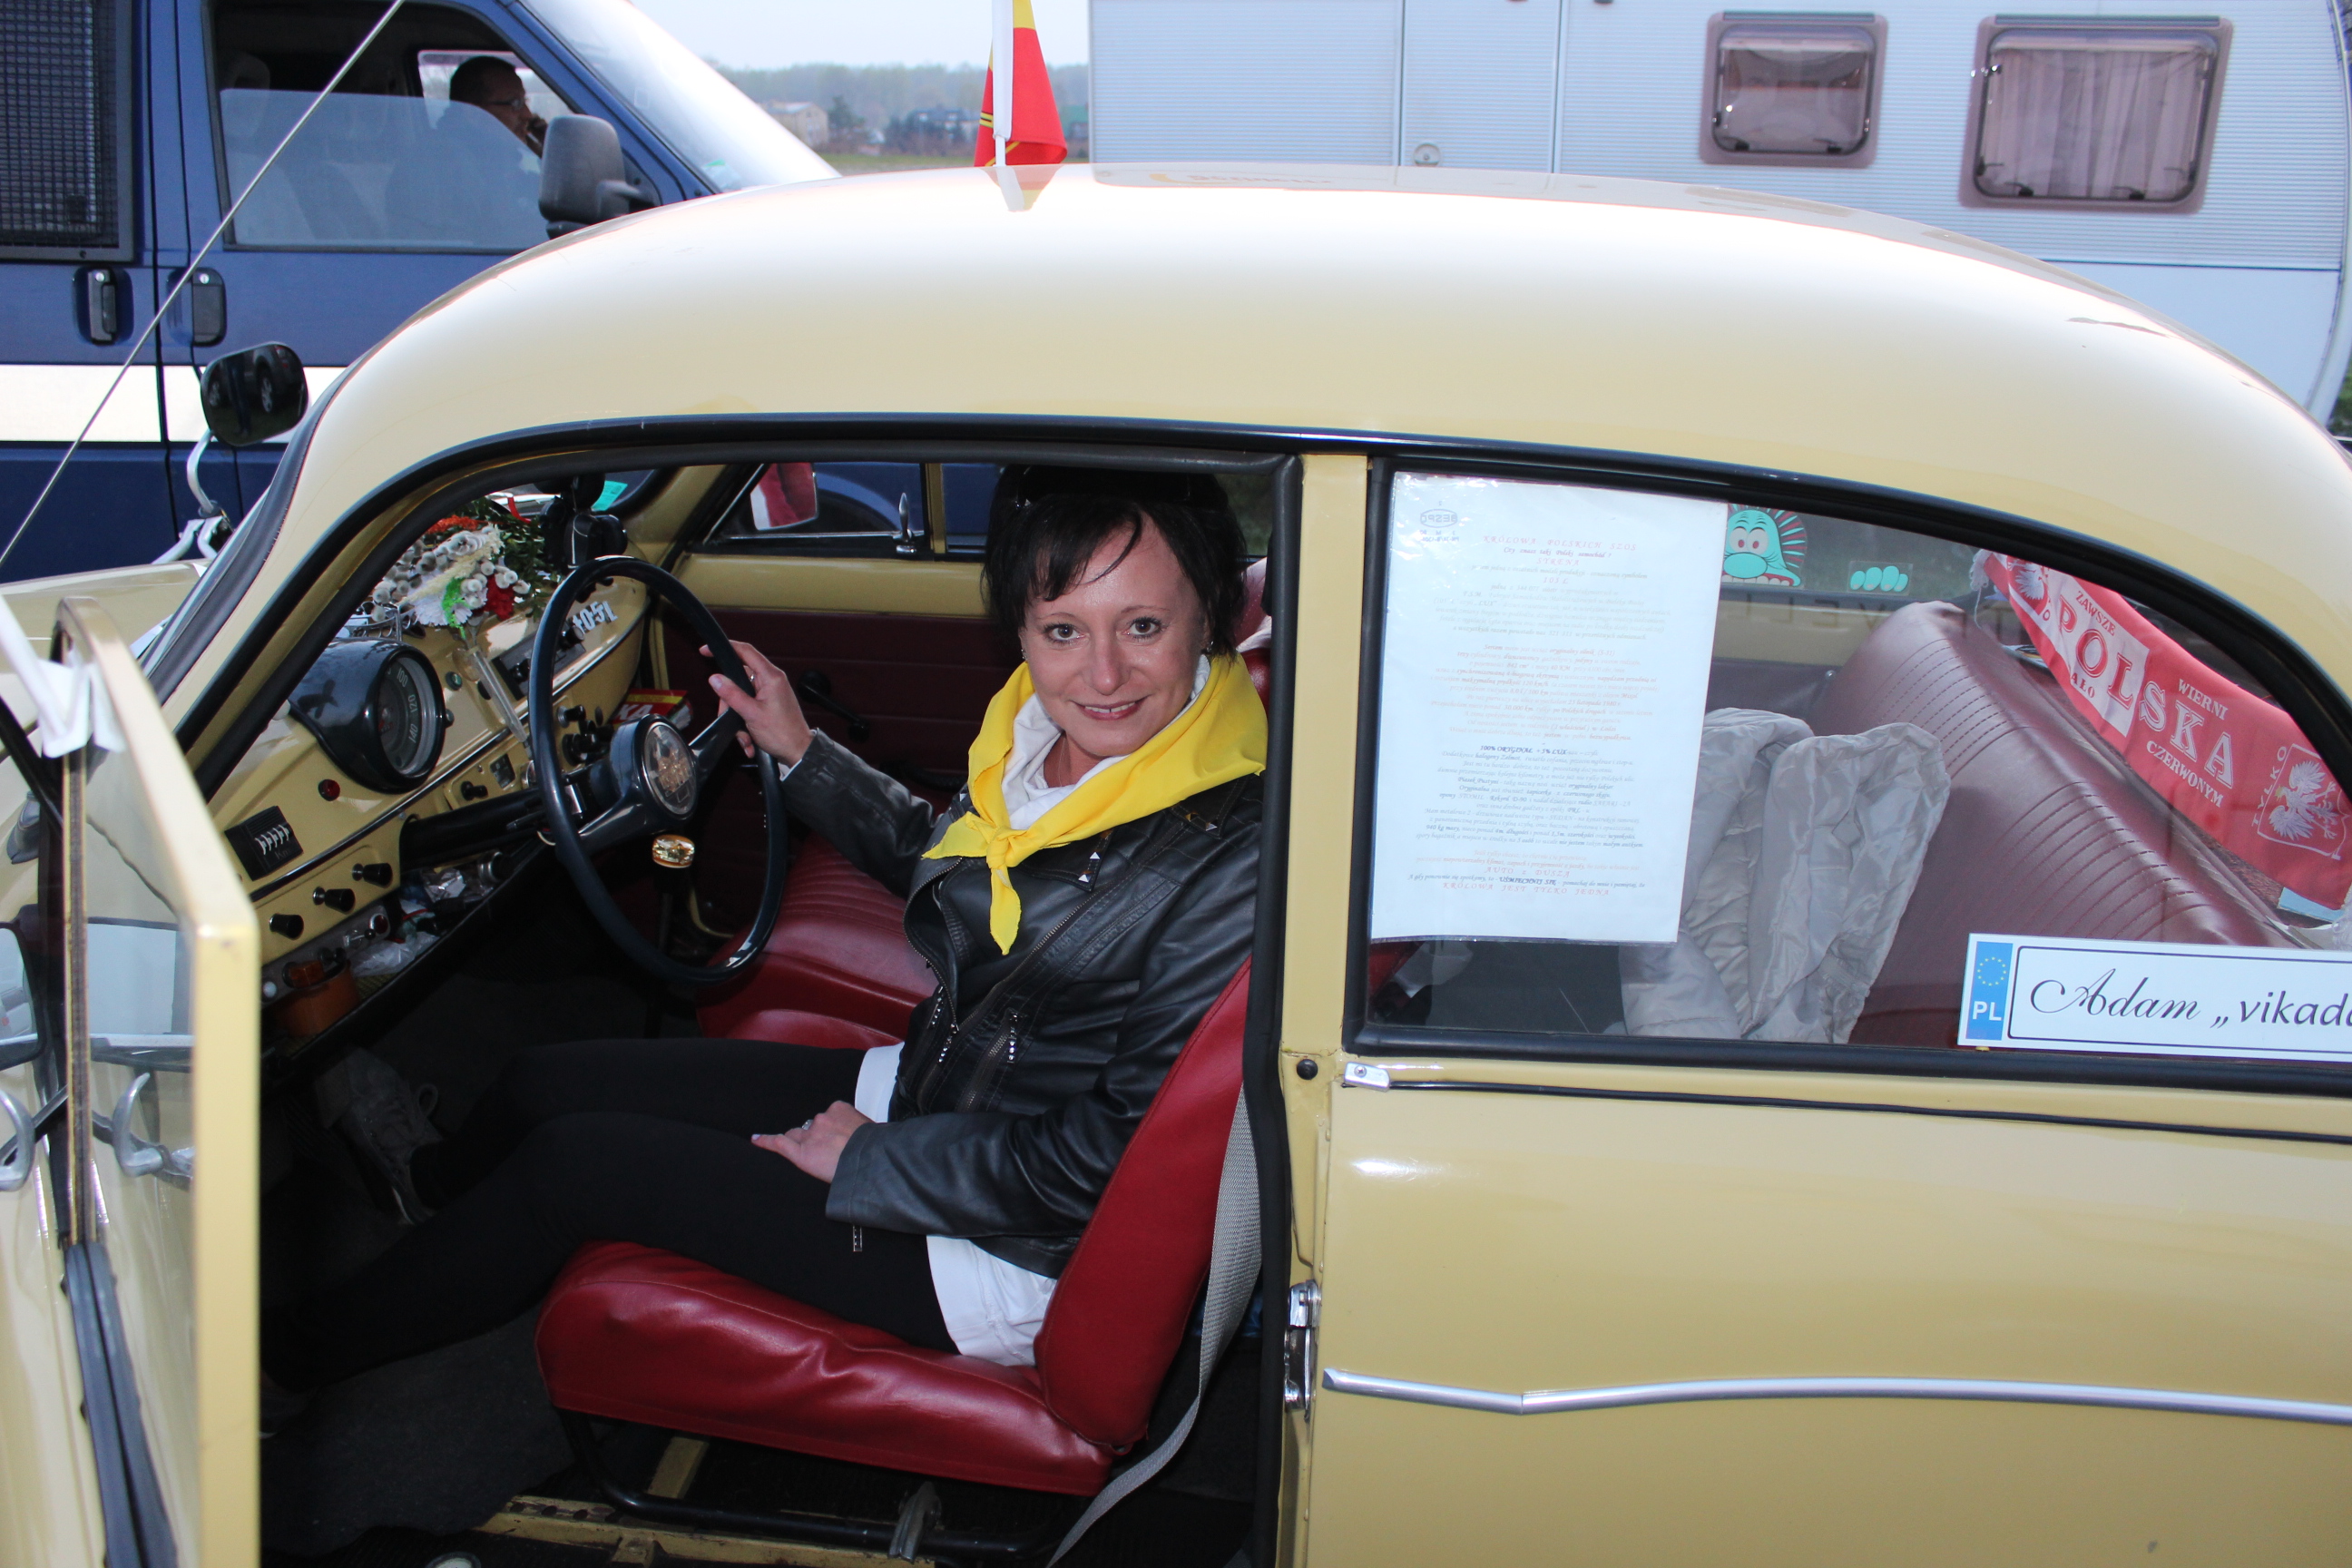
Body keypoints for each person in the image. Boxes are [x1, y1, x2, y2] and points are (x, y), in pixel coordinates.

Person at [264, 471, 1264, 1403]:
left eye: (1143, 625)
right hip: (944, 1092)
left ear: (1210, 620)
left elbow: (1108, 1160)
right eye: (1062, 629)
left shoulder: (1226, 849)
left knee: (572, 1168)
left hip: (1002, 1249)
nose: (1103, 672)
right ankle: (428, 1197)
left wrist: (875, 1161)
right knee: (542, 1081)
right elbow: (956, 860)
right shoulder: (1053, 736)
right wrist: (800, 751)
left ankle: (270, 1374)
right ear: (1024, 629)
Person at [449, 55, 546, 155]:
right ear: (474, 112)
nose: (527, 114)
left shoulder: (494, 157)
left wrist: (544, 151)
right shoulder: (450, 157)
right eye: (515, 103)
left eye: (524, 101)